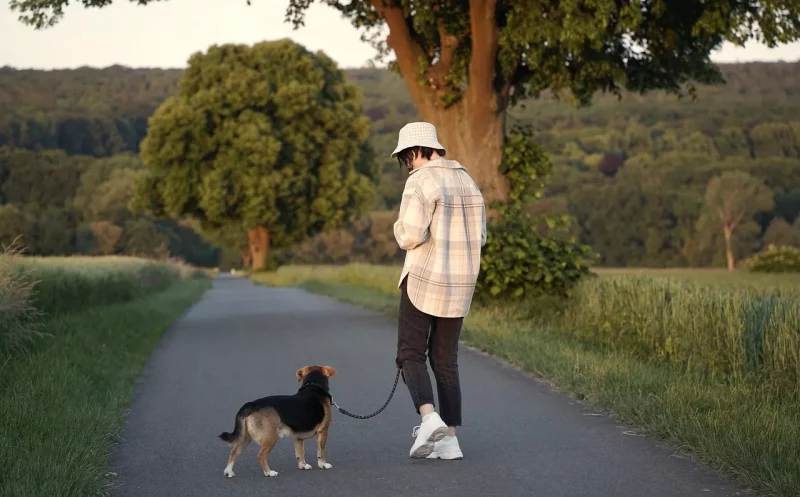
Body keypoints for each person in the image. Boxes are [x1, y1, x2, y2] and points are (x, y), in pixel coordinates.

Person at [391, 121, 487, 460]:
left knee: (409, 353)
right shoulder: (468, 181)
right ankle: (450, 440)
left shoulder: (420, 180)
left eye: (407, 158)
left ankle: (429, 419)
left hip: (424, 279)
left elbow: (411, 235)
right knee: (446, 360)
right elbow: (482, 237)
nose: (409, 165)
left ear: (416, 151)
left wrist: (397, 227)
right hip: (461, 284)